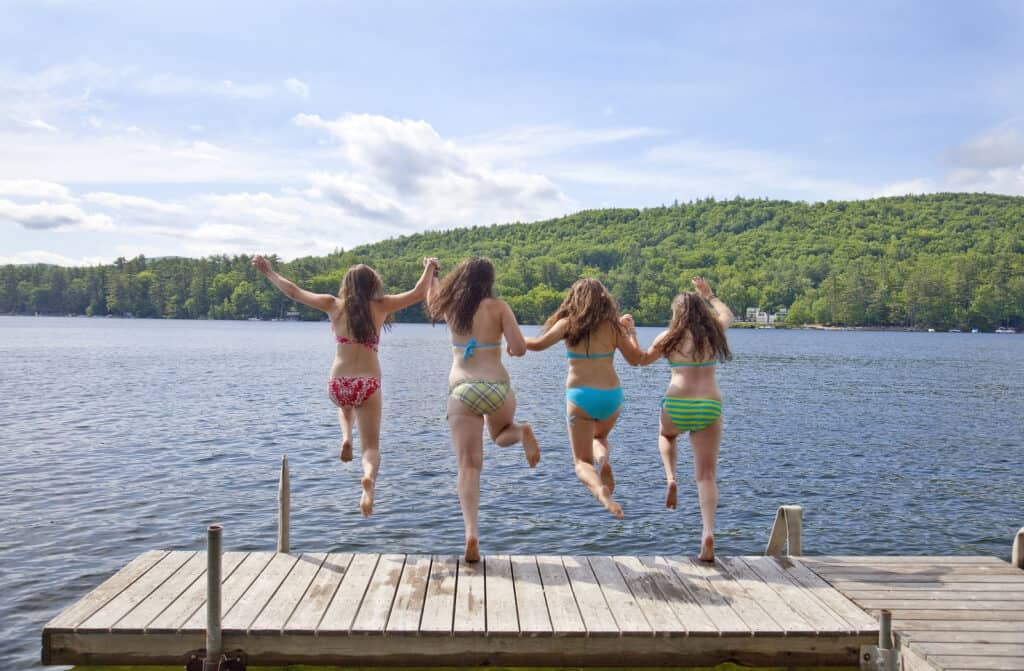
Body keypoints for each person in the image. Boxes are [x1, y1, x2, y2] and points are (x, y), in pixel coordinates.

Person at [252, 254, 439, 517]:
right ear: (373, 285)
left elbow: (294, 292)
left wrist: (269, 272)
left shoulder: (333, 305)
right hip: (369, 381)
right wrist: (430, 267)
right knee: (372, 447)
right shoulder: (382, 305)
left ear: (346, 285)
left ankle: (346, 437)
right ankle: (368, 482)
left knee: (344, 404)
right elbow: (419, 292)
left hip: (338, 382)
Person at [427, 257, 540, 562]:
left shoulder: (450, 307)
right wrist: (508, 346)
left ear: (461, 278)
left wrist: (432, 274)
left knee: (468, 466)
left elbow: (431, 296)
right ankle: (522, 432)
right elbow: (519, 348)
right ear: (490, 280)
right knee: (502, 433)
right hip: (498, 388)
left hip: (462, 391)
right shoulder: (499, 307)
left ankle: (471, 533)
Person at [624, 276, 734, 561]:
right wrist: (710, 295)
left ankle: (671, 478)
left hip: (677, 402)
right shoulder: (714, 334)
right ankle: (707, 533)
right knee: (707, 475)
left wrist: (631, 333)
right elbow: (728, 315)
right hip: (710, 404)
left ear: (677, 313)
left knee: (666, 435)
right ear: (700, 311)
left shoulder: (668, 337)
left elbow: (639, 359)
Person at [525, 278, 644, 519]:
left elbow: (537, 345)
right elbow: (635, 359)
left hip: (581, 397)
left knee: (581, 462)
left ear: (574, 299)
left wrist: (513, 338)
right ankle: (605, 460)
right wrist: (630, 332)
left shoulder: (567, 324)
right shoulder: (613, 327)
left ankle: (600, 492)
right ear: (604, 299)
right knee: (599, 436)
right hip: (611, 397)